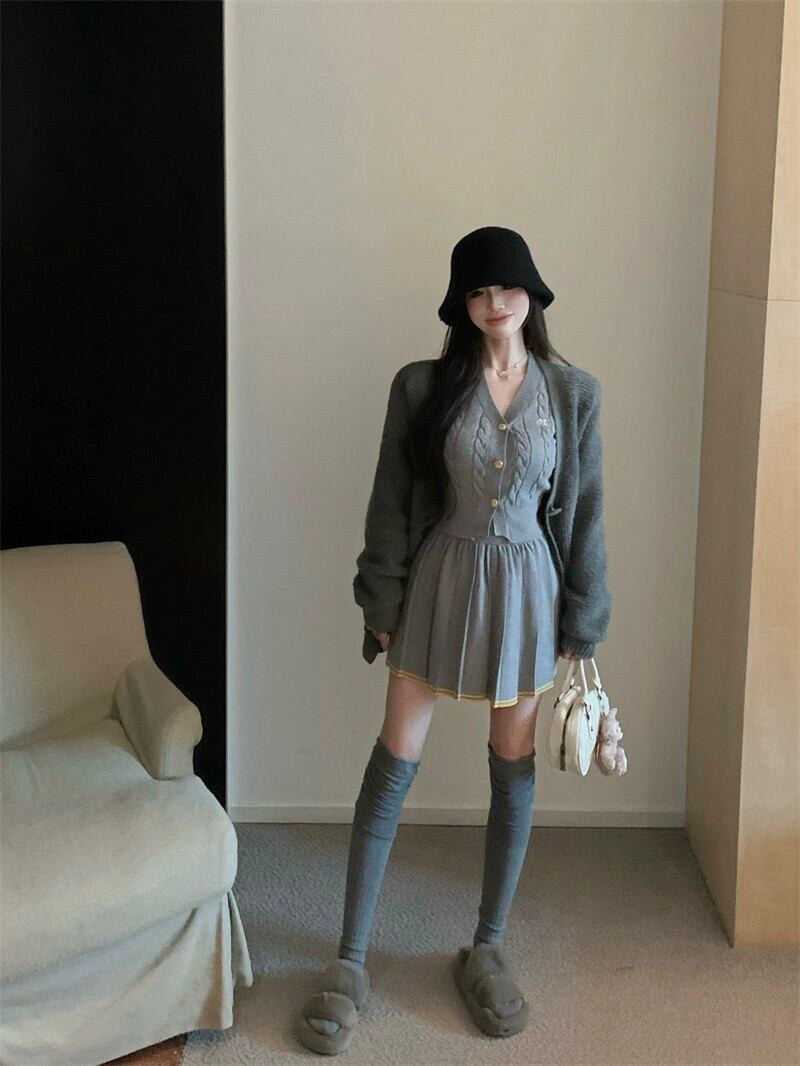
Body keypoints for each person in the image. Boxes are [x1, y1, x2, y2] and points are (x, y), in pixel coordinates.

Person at [296, 226, 611, 1054]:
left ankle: (488, 948)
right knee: (393, 766)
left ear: (532, 294)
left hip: (530, 596)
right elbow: (391, 496)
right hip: (438, 584)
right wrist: (381, 595)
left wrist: (584, 620)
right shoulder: (422, 386)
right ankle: (349, 959)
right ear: (461, 304)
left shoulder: (572, 393)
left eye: (507, 287)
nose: (495, 302)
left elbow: (584, 514)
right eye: (477, 291)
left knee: (512, 769)